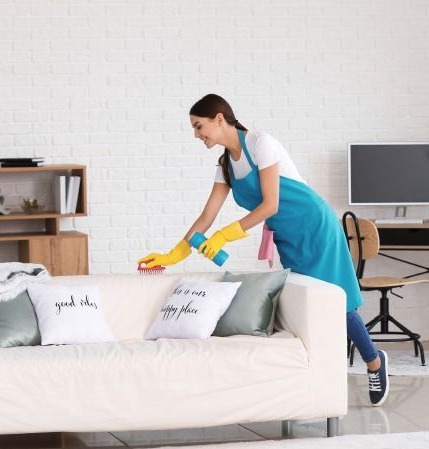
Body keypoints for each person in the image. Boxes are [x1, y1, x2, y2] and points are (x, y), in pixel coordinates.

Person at [138, 94, 390, 406]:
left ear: (219, 119)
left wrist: (225, 236)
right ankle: (319, 374)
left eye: (199, 126)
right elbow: (206, 217)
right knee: (305, 301)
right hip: (287, 235)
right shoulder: (226, 166)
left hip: (314, 225)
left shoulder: (261, 144)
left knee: (336, 300)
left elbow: (271, 204)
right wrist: (174, 254)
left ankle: (374, 362)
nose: (196, 134)